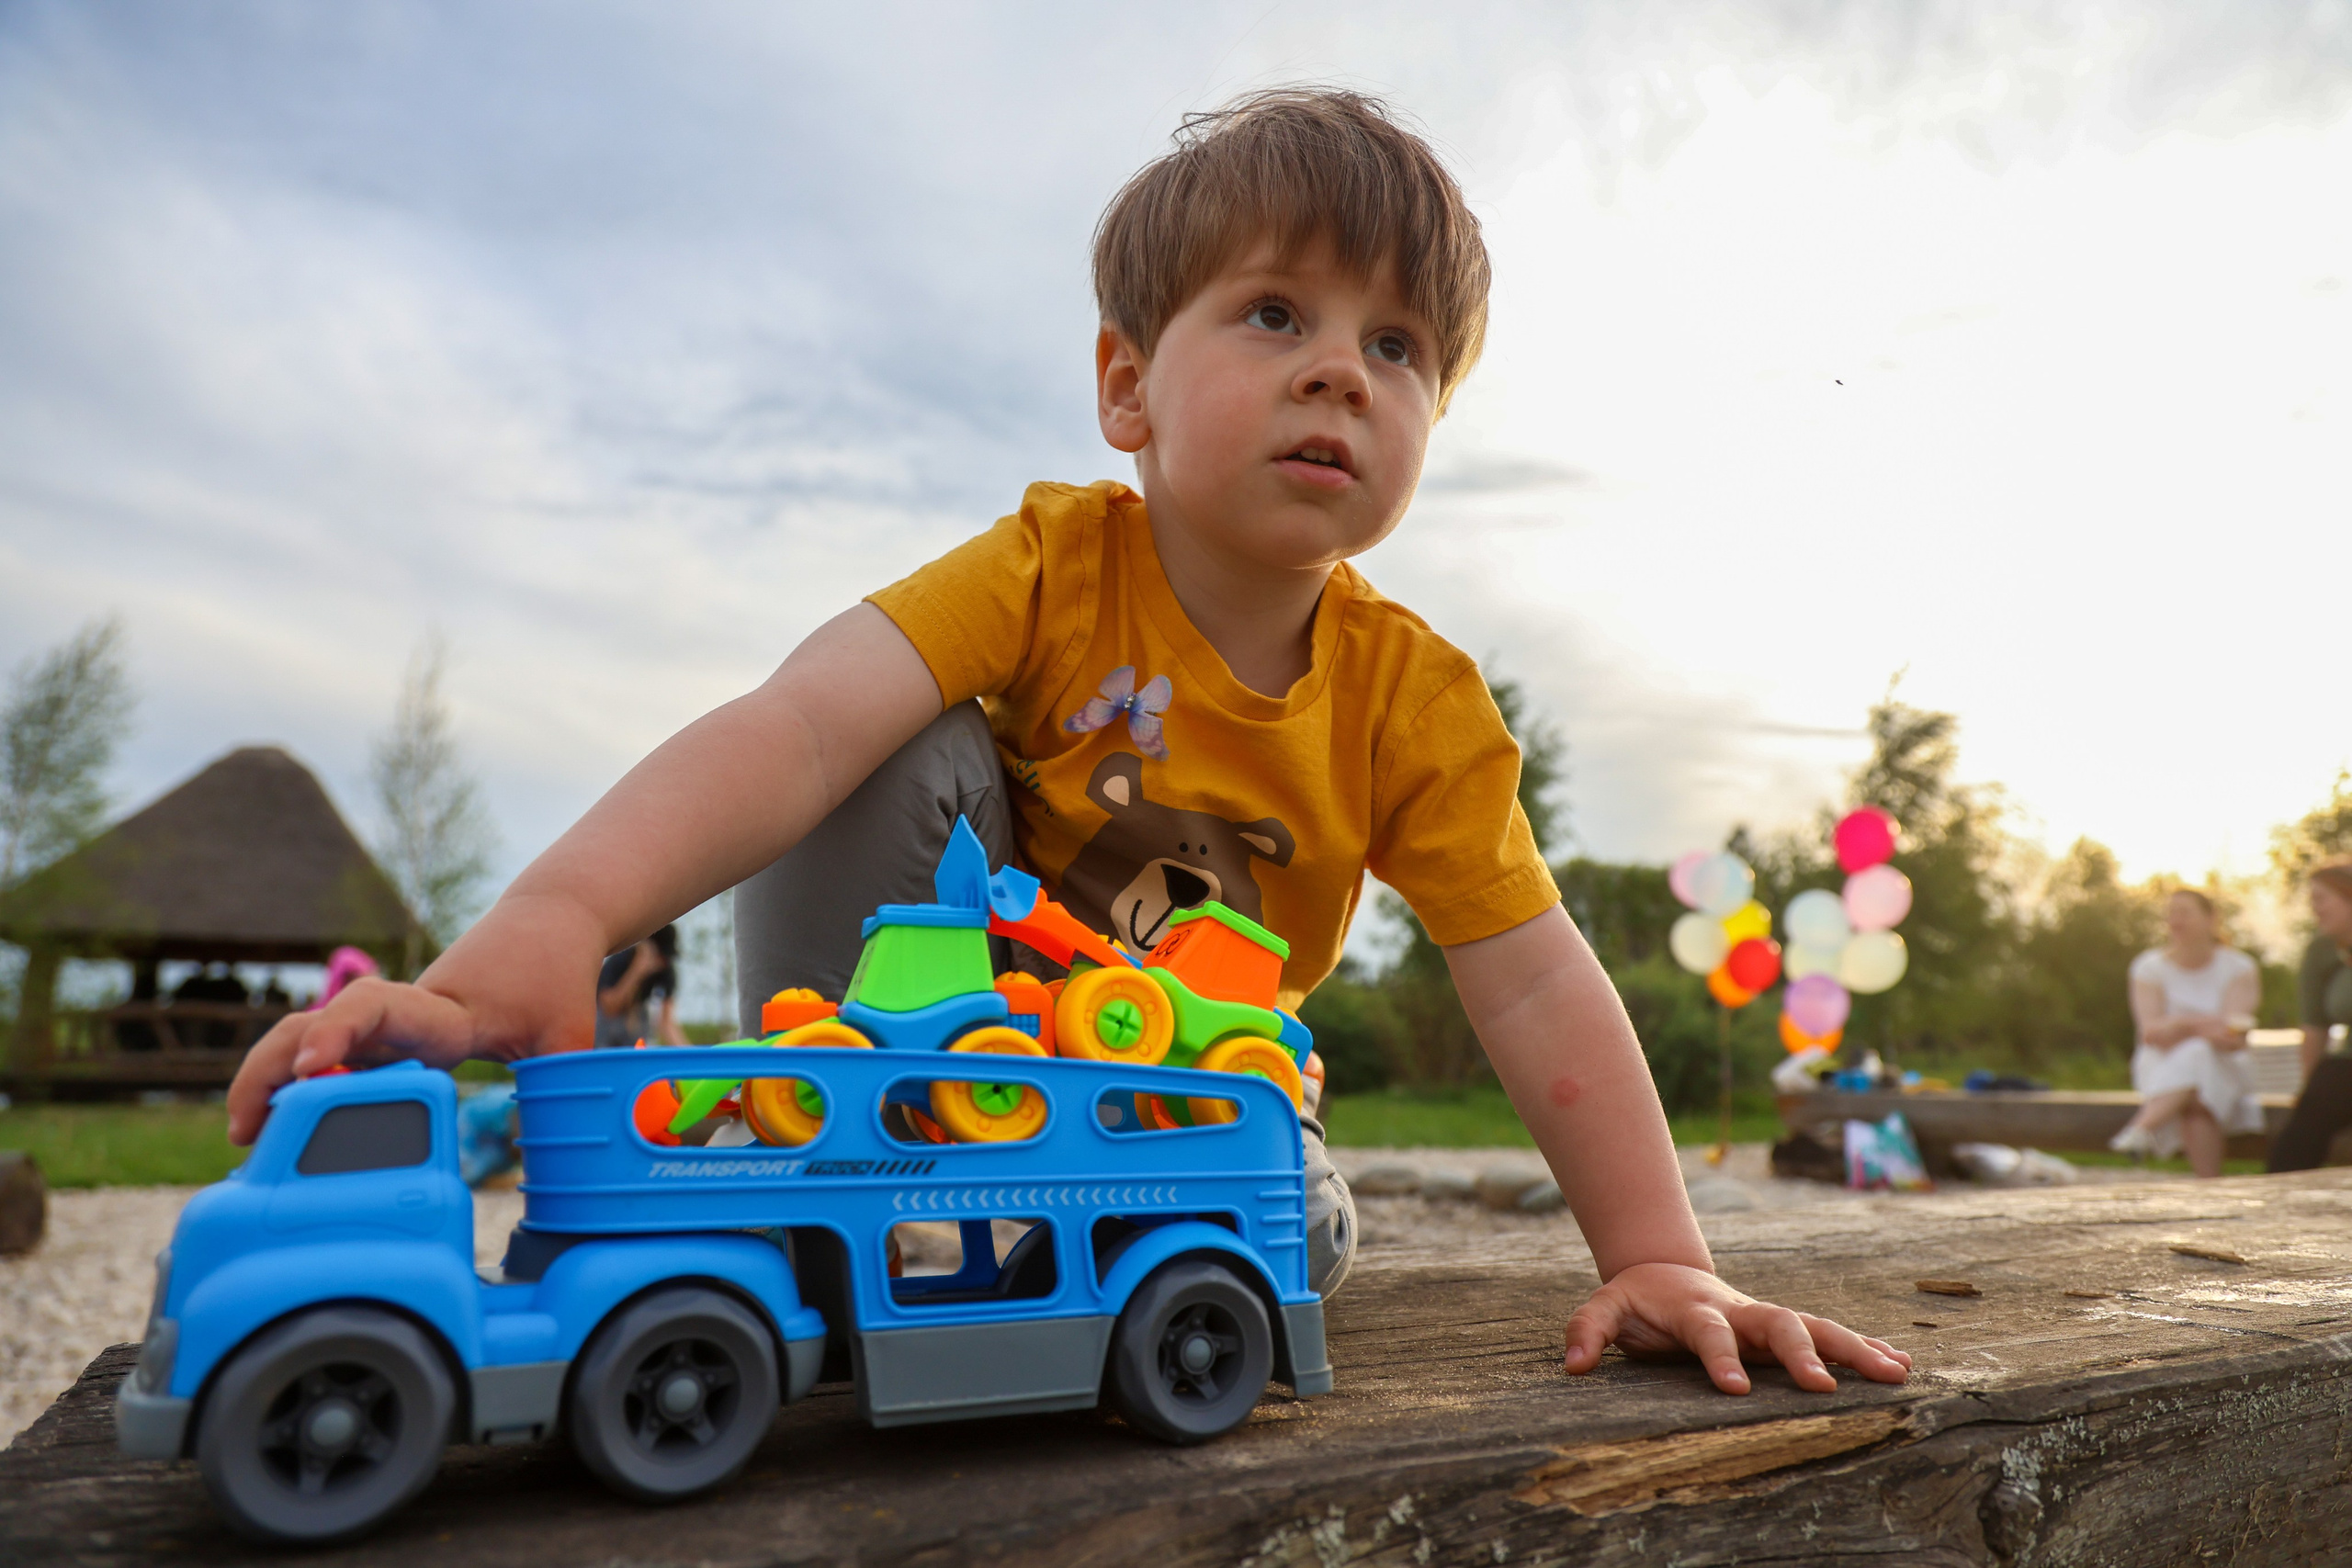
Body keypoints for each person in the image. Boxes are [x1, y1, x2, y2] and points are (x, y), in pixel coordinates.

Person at [225, 89, 1908, 1398]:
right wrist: (558, 918)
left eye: (1398, 347)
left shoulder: (1415, 699)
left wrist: (1657, 1251)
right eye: (1276, 314)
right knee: (892, 731)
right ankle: (813, 1142)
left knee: (1284, 1227)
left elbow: (1532, 976)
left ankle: (1090, 1254)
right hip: (940, 1048)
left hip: (1181, 1100)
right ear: (1128, 386)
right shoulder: (1047, 567)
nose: (1342, 370)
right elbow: (795, 729)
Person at [2109, 890, 2261, 1177]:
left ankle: (2142, 1128)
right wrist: (2205, 1026)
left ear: (2211, 918)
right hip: (2161, 1064)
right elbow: (2151, 1032)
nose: (2176, 921)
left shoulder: (2240, 967)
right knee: (2198, 1093)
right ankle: (2209, 1189)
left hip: (2224, 1065)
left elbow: (2233, 1033)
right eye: (2171, 913)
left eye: (2185, 913)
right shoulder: (2148, 967)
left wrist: (2179, 1025)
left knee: (2199, 1056)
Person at [2266, 863, 2352, 1172]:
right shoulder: (2321, 951)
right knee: (2306, 1123)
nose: (2315, 909)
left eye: (2321, 899)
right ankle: (2281, 1193)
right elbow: (2314, 1028)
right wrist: (2308, 1093)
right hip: (2346, 1069)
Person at [593, 924, 685, 1051]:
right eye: (660, 956)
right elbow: (609, 1008)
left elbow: (666, 1023)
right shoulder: (621, 960)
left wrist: (690, 1055)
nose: (662, 962)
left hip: (635, 1023)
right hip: (607, 1025)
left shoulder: (666, 970)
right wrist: (637, 971)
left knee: (642, 1020)